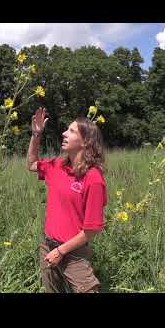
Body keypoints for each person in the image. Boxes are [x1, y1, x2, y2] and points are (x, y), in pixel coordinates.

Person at [27, 107, 107, 293]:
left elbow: (92, 229)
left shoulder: (93, 178)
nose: (64, 133)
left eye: (71, 131)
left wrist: (61, 251)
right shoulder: (57, 166)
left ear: (86, 141)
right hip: (48, 247)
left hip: (74, 254)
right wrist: (36, 135)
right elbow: (32, 164)